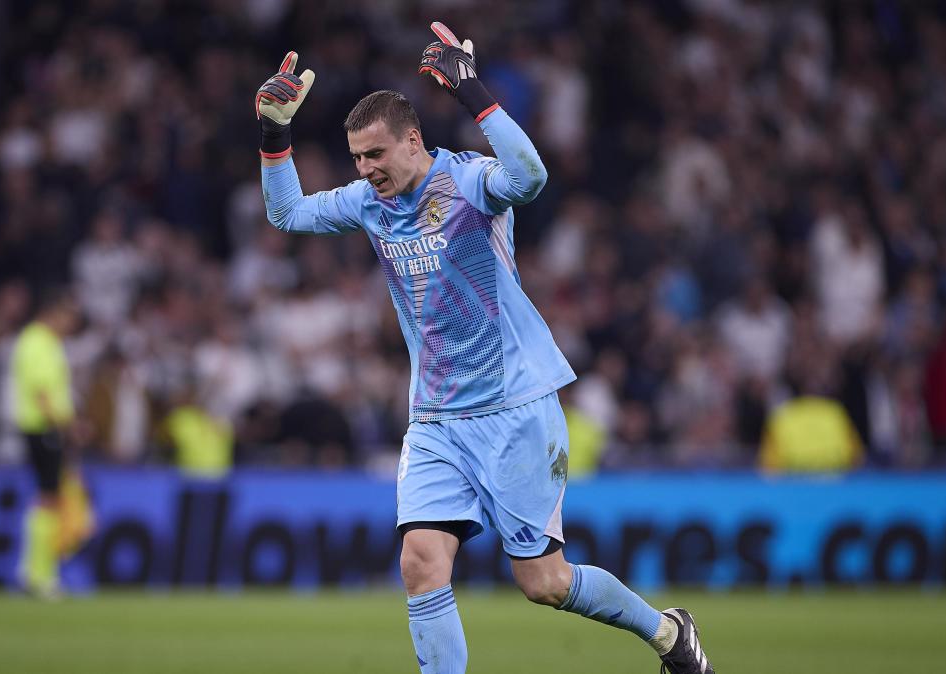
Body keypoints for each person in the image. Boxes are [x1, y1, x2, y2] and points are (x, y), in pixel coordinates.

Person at [256, 22, 715, 674]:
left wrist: (473, 91)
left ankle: (667, 634)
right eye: (357, 157)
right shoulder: (368, 203)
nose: (365, 170)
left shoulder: (468, 183)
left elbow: (530, 176)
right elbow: (287, 214)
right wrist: (276, 135)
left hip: (514, 410)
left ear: (413, 141)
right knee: (420, 561)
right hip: (437, 420)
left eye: (376, 154)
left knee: (545, 584)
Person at [10, 288, 79, 598]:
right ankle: (42, 576)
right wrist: (65, 424)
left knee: (46, 498)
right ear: (52, 313)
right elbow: (42, 392)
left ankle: (31, 572)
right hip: (43, 428)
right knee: (49, 499)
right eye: (67, 318)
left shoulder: (42, 342)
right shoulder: (37, 342)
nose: (70, 325)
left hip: (43, 428)